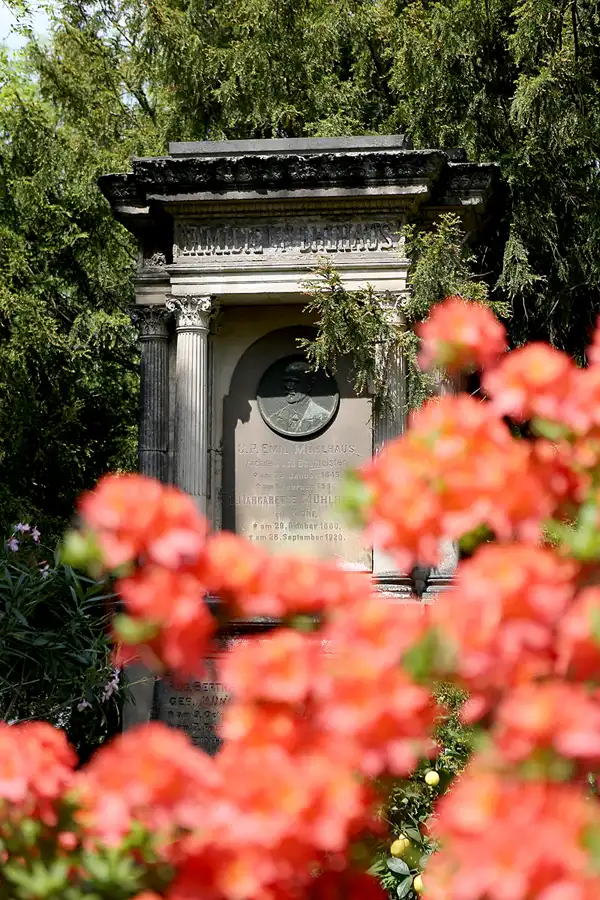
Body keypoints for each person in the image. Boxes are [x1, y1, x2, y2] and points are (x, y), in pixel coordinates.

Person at [270, 360, 330, 434]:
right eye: (286, 381)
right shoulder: (275, 418)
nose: (288, 386)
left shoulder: (322, 417)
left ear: (309, 385)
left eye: (295, 382)